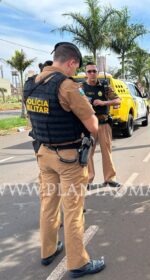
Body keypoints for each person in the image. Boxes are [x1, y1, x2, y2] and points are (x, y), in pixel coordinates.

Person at [23, 42, 105, 278]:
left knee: (48, 204)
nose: (75, 72)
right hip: (68, 159)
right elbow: (93, 125)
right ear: (70, 62)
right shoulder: (67, 87)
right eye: (75, 67)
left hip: (43, 154)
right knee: (73, 210)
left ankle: (48, 251)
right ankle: (78, 263)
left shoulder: (31, 83)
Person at [82, 63, 121, 188]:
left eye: (94, 71)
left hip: (103, 123)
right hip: (88, 124)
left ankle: (110, 178)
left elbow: (118, 100)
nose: (92, 73)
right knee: (88, 153)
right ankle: (88, 179)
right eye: (89, 71)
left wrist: (104, 102)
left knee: (107, 152)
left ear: (97, 72)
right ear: (86, 73)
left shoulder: (104, 86)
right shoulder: (81, 87)